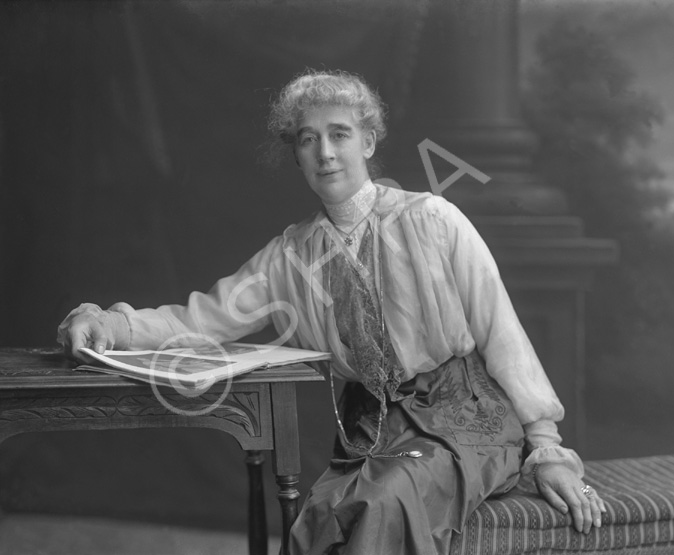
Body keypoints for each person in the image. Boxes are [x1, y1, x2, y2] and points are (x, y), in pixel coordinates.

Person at [58, 69, 606, 554]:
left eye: (339, 134)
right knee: (319, 519)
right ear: (295, 154)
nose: (325, 153)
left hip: (467, 419)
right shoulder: (289, 257)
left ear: (368, 142)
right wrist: (110, 324)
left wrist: (547, 448)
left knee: (385, 503)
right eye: (308, 139)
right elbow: (197, 321)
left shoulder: (433, 219)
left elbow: (500, 330)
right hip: (370, 429)